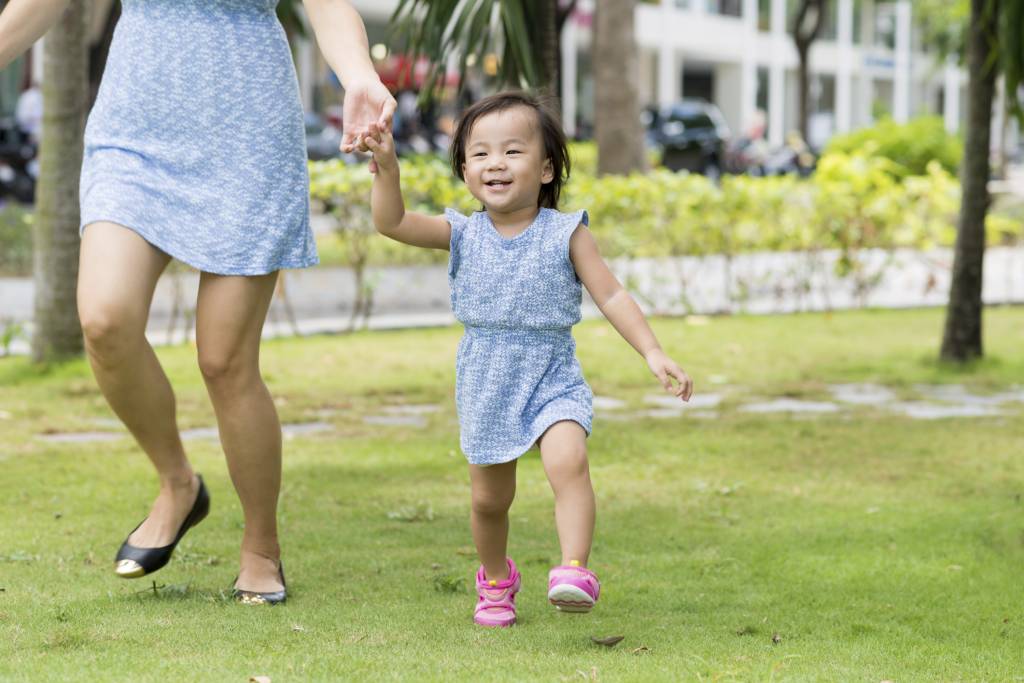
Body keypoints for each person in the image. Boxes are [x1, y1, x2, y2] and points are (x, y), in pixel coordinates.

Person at [0, 0, 395, 605]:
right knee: (105, 319)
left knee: (224, 359)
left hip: (247, 129)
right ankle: (178, 482)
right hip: (135, 130)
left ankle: (261, 547)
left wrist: (359, 76)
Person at [362, 91, 693, 627]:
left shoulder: (567, 233)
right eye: (481, 154)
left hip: (551, 374)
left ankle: (573, 571)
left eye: (513, 151)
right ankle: (495, 580)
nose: (496, 163)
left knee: (569, 461)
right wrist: (386, 165)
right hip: (487, 379)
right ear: (466, 171)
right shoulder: (462, 233)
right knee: (490, 502)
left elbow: (611, 295)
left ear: (544, 169)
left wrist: (652, 351)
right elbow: (392, 222)